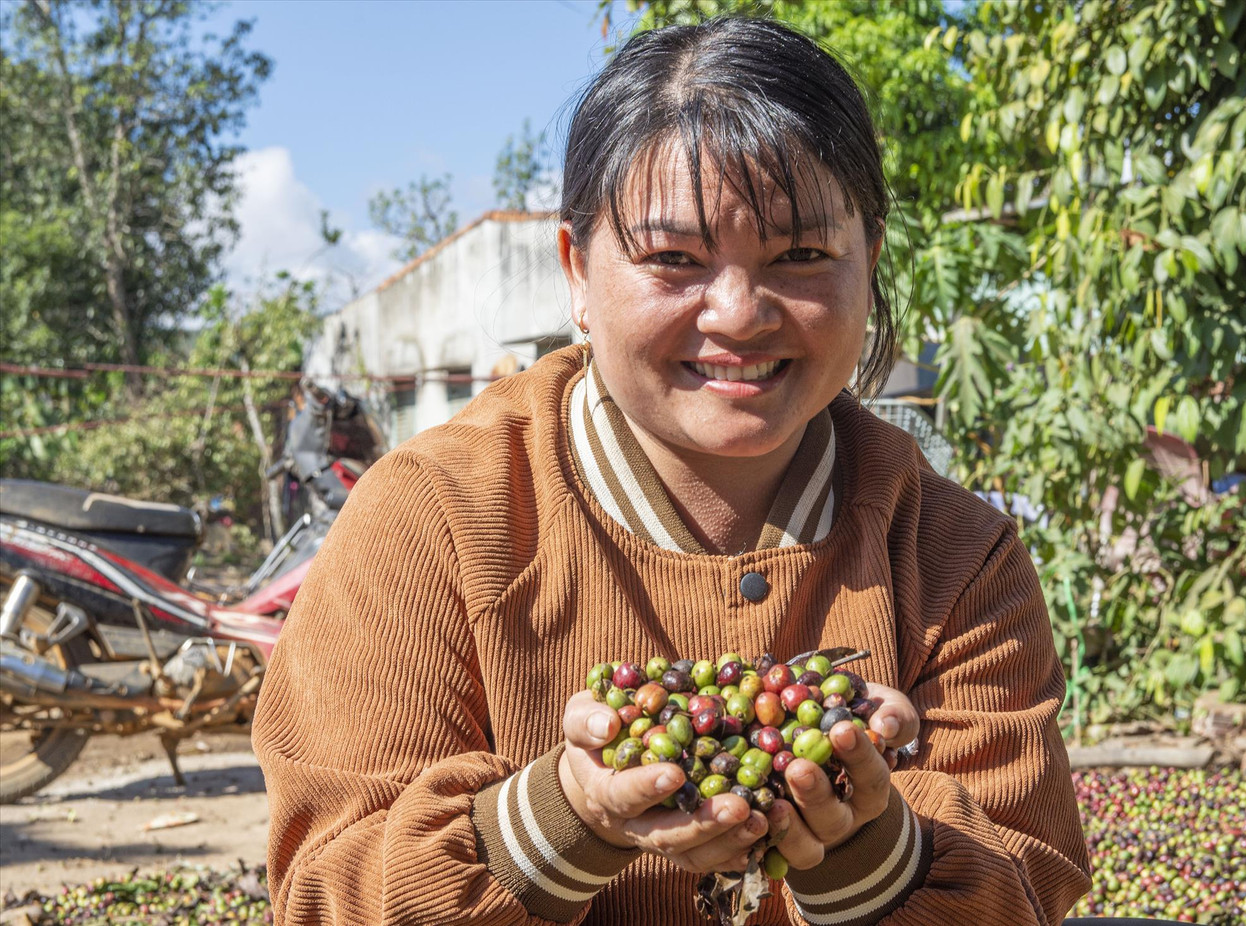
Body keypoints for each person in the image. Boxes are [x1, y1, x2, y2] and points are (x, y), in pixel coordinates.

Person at [253, 17, 1091, 926]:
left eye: (800, 256)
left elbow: (1024, 884)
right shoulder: (431, 523)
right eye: (673, 260)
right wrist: (561, 819)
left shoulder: (956, 555)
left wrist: (873, 851)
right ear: (577, 272)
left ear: (870, 260)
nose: (738, 314)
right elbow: (327, 891)